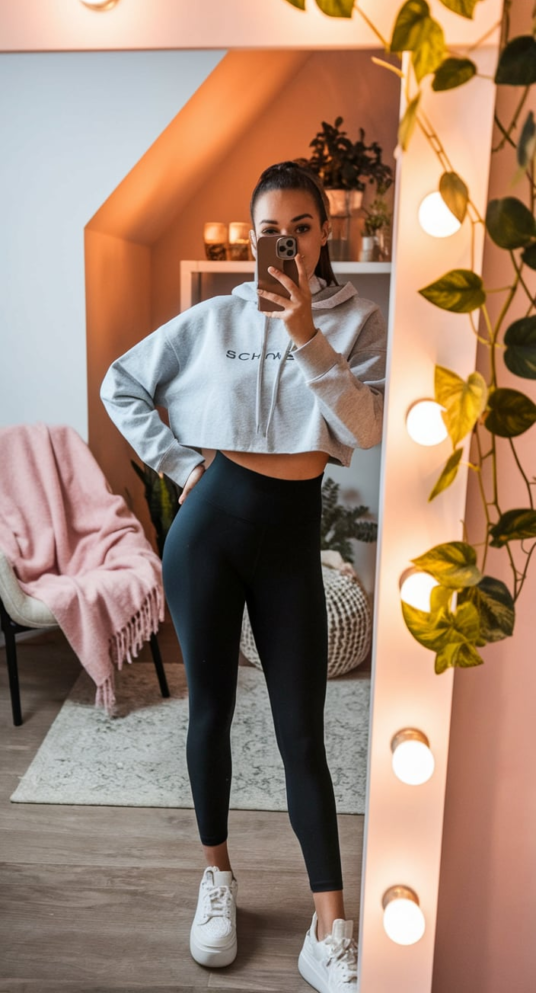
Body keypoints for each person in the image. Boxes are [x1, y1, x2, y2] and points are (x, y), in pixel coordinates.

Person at [100, 160, 387, 993]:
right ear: (252, 234)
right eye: (271, 230)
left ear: (321, 233)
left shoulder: (357, 321)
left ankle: (328, 925)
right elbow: (123, 383)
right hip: (210, 527)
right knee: (212, 713)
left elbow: (362, 428)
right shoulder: (213, 315)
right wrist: (179, 464)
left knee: (303, 732)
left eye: (302, 227)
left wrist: (305, 332)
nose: (287, 242)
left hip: (292, 536)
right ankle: (216, 880)